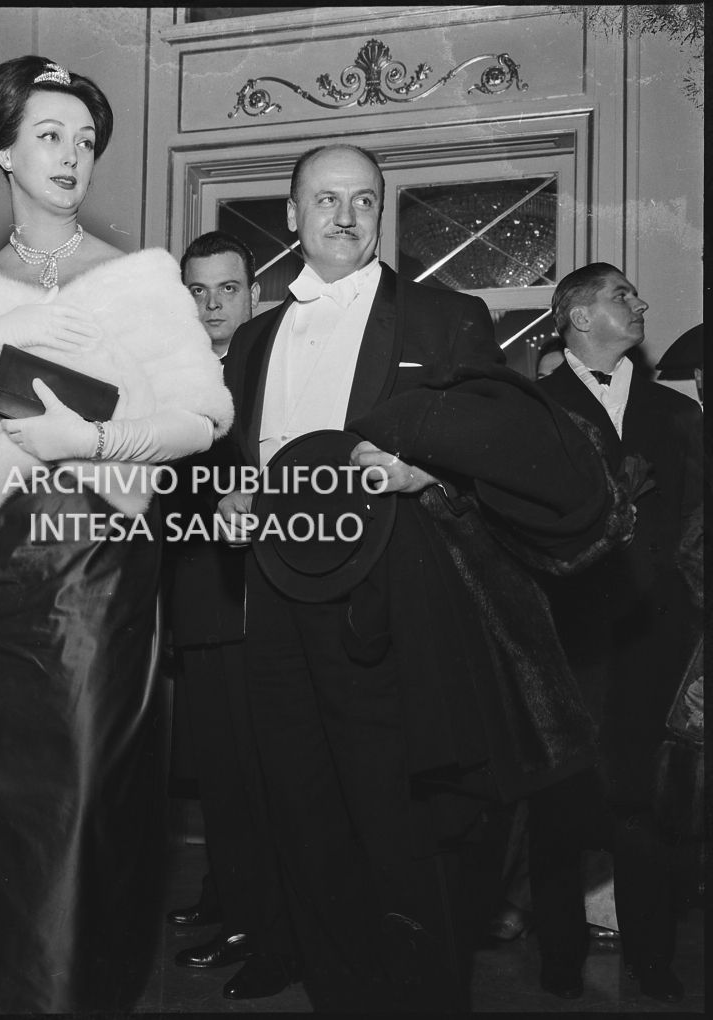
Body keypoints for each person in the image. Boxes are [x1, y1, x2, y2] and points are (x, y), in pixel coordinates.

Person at [215, 145, 633, 1012]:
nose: (344, 216)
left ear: (379, 213)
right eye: (324, 200)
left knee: (405, 835)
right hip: (277, 606)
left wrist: (428, 474)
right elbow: (236, 457)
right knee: (303, 818)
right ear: (290, 217)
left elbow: (504, 459)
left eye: (362, 201)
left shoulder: (446, 318)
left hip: (391, 610)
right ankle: (339, 992)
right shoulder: (253, 339)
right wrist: (232, 497)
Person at [0, 56, 233, 1014]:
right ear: (2, 150)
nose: (72, 154)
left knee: (81, 819)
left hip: (98, 577)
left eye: (85, 140)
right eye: (49, 134)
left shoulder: (139, 282)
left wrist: (91, 437)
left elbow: (206, 417)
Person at [530, 263, 703, 1003]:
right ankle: (560, 957)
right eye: (621, 295)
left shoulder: (680, 416)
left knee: (649, 806)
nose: (639, 303)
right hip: (562, 642)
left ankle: (653, 957)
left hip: (655, 641)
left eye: (636, 292)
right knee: (558, 804)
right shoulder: (530, 409)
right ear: (575, 317)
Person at [166, 231, 299, 999]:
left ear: (255, 294)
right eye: (198, 291)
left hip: (262, 602)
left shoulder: (271, 376)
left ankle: (265, 928)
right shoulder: (178, 379)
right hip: (201, 601)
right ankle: (235, 905)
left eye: (227, 289)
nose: (213, 304)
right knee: (222, 775)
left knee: (262, 778)